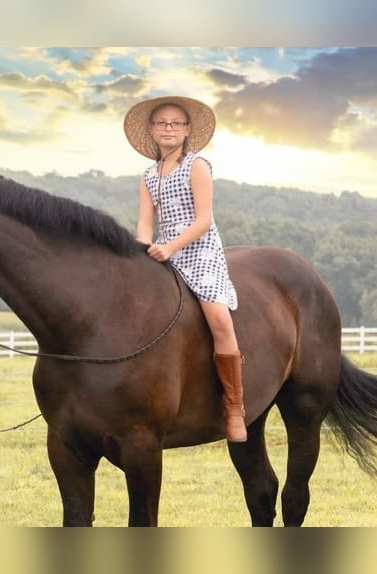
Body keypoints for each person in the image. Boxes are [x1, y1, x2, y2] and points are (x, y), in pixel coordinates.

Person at [123, 95, 247, 442]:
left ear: (187, 130)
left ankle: (234, 407)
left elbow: (204, 220)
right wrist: (141, 251)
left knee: (219, 318)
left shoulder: (197, 166)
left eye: (176, 123)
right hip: (163, 252)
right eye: (162, 123)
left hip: (200, 250)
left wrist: (170, 247)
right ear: (151, 129)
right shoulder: (148, 175)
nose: (168, 128)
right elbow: (145, 225)